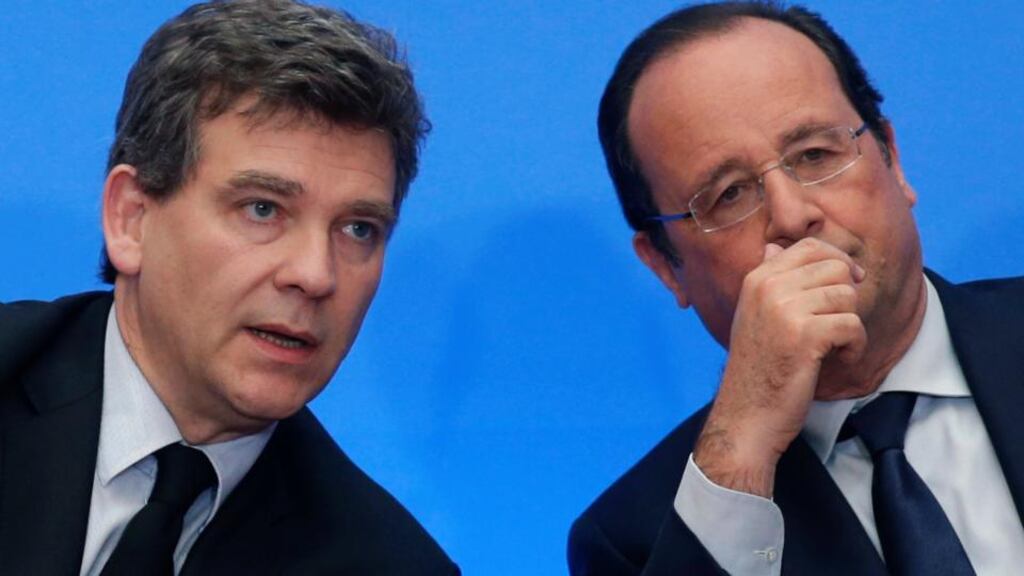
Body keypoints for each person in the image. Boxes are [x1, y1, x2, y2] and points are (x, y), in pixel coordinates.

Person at [0, 1, 458, 574]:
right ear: (131, 218)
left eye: (358, 229)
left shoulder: (381, 562)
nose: (316, 274)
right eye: (263, 209)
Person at [568, 2, 1024, 575]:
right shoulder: (634, 542)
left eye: (815, 155)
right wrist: (739, 452)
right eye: (729, 194)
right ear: (666, 265)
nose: (791, 214)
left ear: (893, 159)